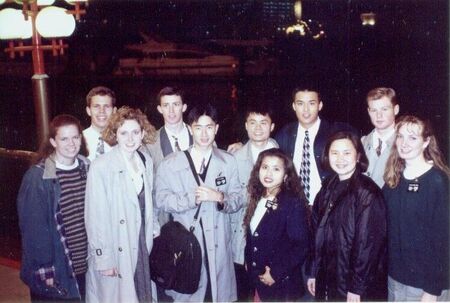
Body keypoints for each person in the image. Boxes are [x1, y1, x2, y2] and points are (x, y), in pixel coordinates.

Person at [155, 104, 243, 302]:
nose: (204, 134)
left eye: (209, 127)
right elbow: (160, 199)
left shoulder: (228, 161)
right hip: (187, 246)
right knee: (189, 293)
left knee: (216, 294)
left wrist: (220, 197)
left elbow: (238, 198)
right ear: (190, 128)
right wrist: (189, 199)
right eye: (198, 127)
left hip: (219, 245)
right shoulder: (170, 163)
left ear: (217, 129)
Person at [84, 106, 158, 303]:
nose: (130, 139)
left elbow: (150, 202)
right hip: (117, 246)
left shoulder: (146, 161)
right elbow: (95, 217)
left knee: (142, 294)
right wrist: (104, 259)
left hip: (140, 242)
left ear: (143, 134)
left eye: (135, 132)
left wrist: (154, 229)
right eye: (123, 133)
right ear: (115, 134)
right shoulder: (101, 166)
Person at [307, 131, 387, 301]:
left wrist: (357, 288)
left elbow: (368, 246)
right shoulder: (328, 186)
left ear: (358, 156)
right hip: (327, 280)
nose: (340, 158)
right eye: (334, 153)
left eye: (347, 153)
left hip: (353, 287)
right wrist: (313, 272)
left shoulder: (367, 193)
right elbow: (316, 233)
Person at [17, 114, 90, 301]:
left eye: (75, 137)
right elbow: (34, 230)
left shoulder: (87, 168)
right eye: (64, 138)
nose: (71, 143)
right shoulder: (38, 178)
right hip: (58, 267)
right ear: (53, 141)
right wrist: (45, 270)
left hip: (84, 265)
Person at [383, 115, 449, 301]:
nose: (404, 143)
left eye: (413, 138)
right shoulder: (392, 179)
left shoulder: (437, 181)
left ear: (426, 141)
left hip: (425, 284)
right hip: (396, 279)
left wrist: (432, 290)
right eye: (400, 136)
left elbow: (443, 240)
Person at [244, 148, 309, 301]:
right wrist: (248, 260)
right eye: (265, 167)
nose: (268, 174)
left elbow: (301, 245)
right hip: (259, 280)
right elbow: (254, 235)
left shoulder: (292, 202)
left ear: (286, 175)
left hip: (281, 284)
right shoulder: (259, 196)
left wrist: (275, 273)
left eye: (276, 169)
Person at [275, 86, 356, 206]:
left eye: (311, 103)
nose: (306, 110)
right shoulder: (285, 133)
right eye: (300, 103)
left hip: (327, 206)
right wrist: (241, 144)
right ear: (294, 106)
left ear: (320, 105)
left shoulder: (336, 131)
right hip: (294, 207)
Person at [230, 102, 278, 301]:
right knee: (244, 294)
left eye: (263, 123)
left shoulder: (284, 155)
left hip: (273, 239)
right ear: (246, 126)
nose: (258, 128)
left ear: (272, 126)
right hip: (242, 239)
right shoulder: (233, 157)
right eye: (253, 122)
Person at [361, 87, 399, 187]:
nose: (379, 115)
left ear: (396, 109)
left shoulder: (404, 145)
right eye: (374, 110)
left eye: (384, 109)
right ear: (368, 111)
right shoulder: (361, 143)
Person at [145, 86, 192, 168]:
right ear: (160, 109)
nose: (171, 110)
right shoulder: (151, 143)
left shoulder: (200, 135)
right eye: (166, 105)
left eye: (176, 104)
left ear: (184, 107)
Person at [83, 86, 117, 161]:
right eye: (96, 106)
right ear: (88, 110)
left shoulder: (122, 140)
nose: (102, 111)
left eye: (106, 106)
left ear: (114, 111)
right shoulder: (79, 140)